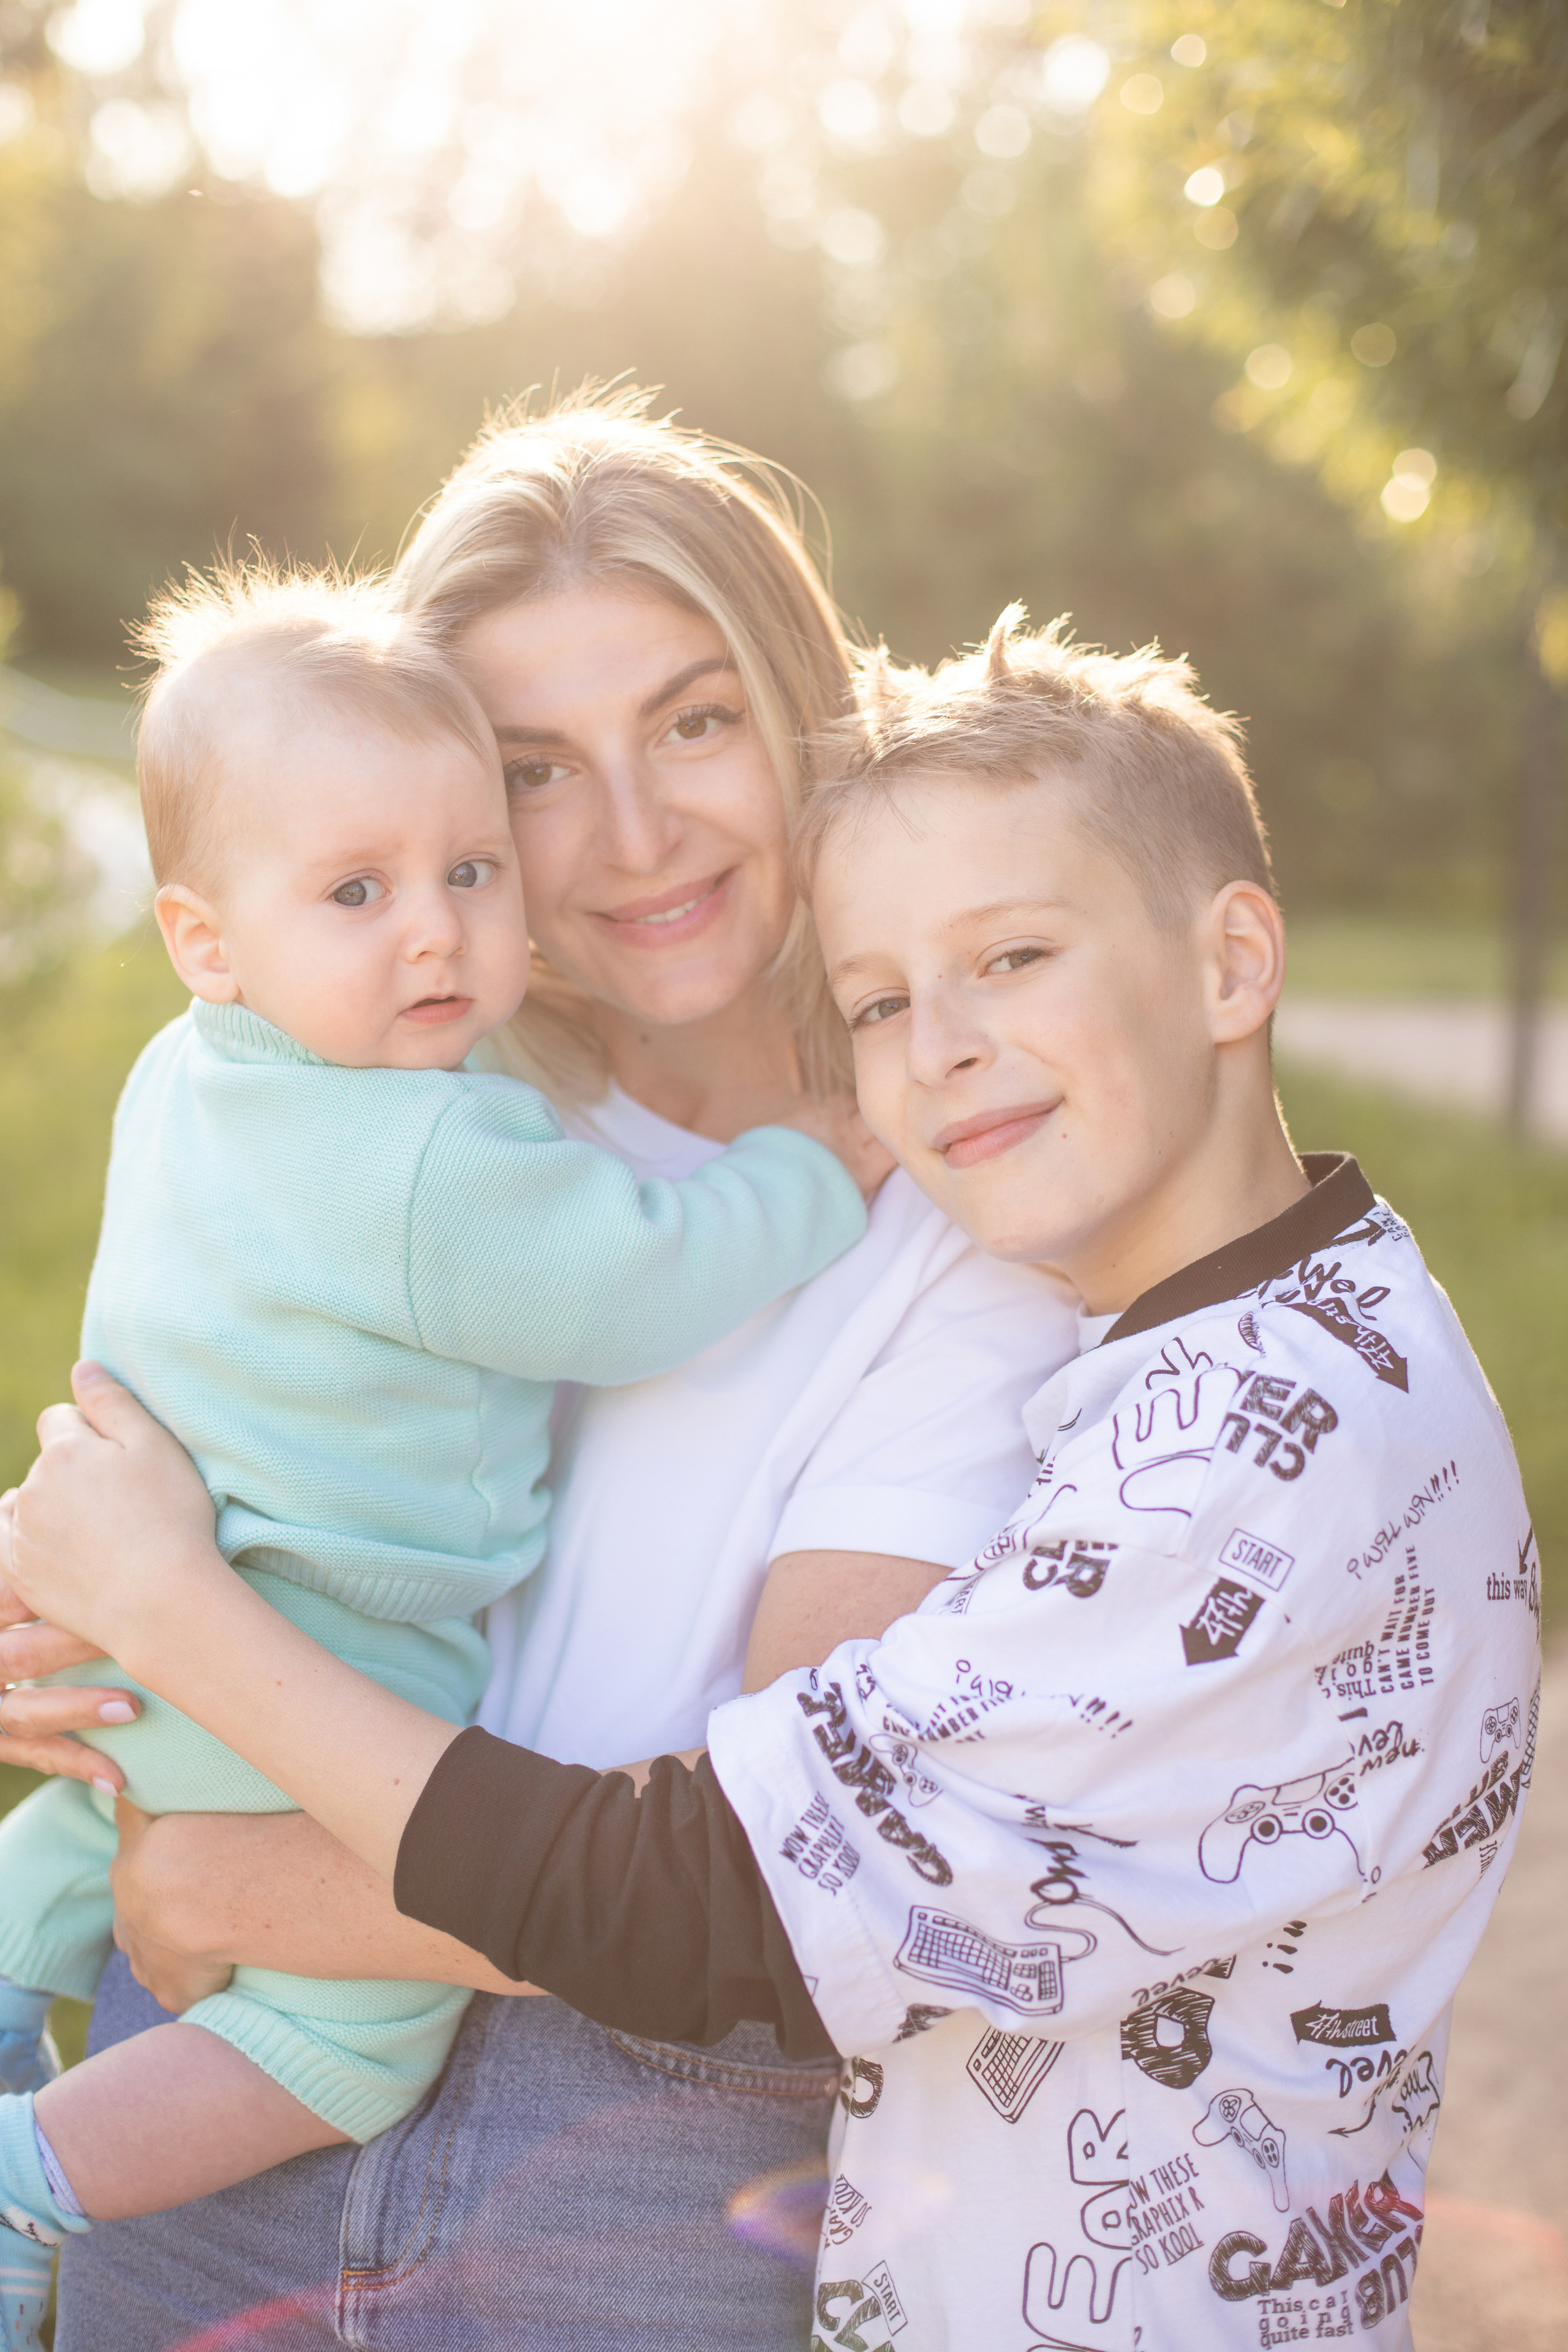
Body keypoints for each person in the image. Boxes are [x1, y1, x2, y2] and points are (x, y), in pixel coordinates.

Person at [6, 614, 1537, 2352]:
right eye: (881, 999)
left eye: (1016, 956)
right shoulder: (1247, 1347)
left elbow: (725, 1903)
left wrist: (179, 1648)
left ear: (1232, 964)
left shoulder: (1254, 1447)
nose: (940, 1046)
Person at [0, 393, 1077, 2350]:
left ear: (809, 711)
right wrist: (58, 1598)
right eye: (535, 773)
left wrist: (238, 1849)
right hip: (213, 2064)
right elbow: (175, 1434)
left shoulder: (954, 1234)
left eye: (694, 718)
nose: (636, 835)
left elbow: (778, 1879)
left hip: (629, 2156)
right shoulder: (408, 1086)